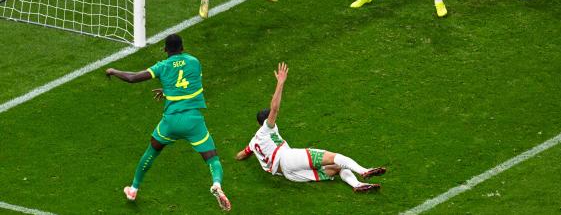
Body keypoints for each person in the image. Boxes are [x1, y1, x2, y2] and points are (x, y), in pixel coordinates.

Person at [105, 34, 232, 211]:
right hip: (193, 121)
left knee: (153, 149)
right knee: (212, 158)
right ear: (182, 47)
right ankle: (217, 184)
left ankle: (133, 189)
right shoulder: (195, 62)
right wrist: (167, 90)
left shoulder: (162, 66)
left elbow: (133, 78)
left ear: (165, 49)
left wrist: (113, 71)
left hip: (171, 122)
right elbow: (188, 84)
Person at [235, 62, 386, 192]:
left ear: (257, 124)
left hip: (288, 174)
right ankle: (364, 171)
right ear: (267, 121)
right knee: (334, 157)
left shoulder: (253, 142)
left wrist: (236, 157)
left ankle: (358, 184)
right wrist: (280, 83)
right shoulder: (267, 128)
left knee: (337, 167)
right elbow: (274, 108)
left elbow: (242, 154)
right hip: (287, 158)